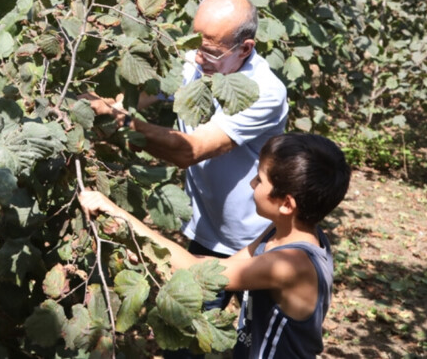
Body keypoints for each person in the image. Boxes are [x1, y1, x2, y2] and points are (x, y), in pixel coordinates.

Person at [81, 0, 288, 310]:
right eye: (194, 45)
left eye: (209, 50)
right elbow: (131, 99)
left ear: (245, 48)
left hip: (257, 240)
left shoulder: (264, 92)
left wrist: (119, 122)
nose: (197, 56)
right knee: (189, 331)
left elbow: (191, 151)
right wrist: (86, 106)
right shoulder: (198, 61)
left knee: (258, 337)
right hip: (206, 228)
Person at [79, 133, 351, 358]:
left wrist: (116, 211)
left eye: (260, 179)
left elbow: (196, 269)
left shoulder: (290, 264)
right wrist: (153, 256)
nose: (251, 182)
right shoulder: (283, 233)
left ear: (286, 204)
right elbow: (223, 267)